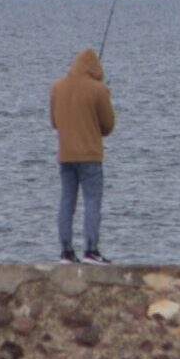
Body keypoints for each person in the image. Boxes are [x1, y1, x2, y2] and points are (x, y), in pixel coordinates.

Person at [48, 47, 115, 263]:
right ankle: (91, 250)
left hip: (65, 155)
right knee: (92, 202)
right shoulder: (99, 89)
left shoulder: (57, 87)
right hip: (90, 156)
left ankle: (66, 252)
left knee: (66, 201)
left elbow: (54, 122)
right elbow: (108, 125)